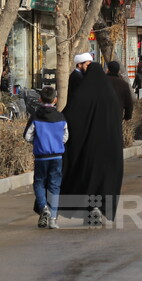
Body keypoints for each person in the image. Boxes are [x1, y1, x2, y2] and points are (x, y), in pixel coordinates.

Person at [60, 61, 125, 226]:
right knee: (105, 179)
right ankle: (101, 208)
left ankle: (90, 209)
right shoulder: (110, 96)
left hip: (90, 148)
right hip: (109, 148)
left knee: (88, 177)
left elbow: (70, 117)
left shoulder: (82, 94)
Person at [26, 86, 68, 230]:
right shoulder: (60, 116)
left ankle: (43, 207)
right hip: (57, 156)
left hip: (41, 156)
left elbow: (27, 136)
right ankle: (53, 219)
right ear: (55, 100)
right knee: (54, 186)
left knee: (39, 183)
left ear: (40, 99)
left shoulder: (36, 116)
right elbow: (65, 137)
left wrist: (38, 142)